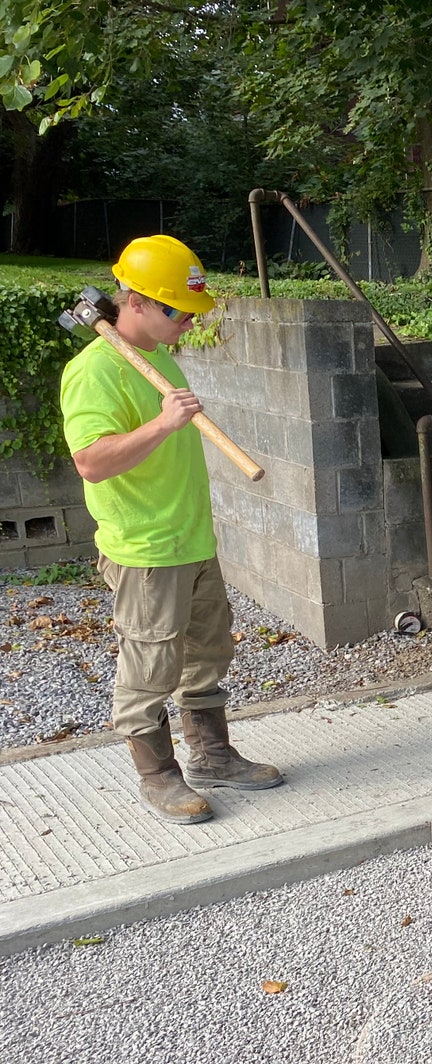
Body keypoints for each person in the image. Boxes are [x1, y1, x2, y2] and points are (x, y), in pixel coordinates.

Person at [58, 235, 282, 825]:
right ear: (135, 301)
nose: (187, 322)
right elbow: (91, 461)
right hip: (146, 549)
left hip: (192, 540)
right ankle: (157, 776)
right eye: (177, 311)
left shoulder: (156, 351)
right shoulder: (94, 371)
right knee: (150, 668)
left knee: (206, 652)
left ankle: (211, 754)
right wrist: (163, 424)